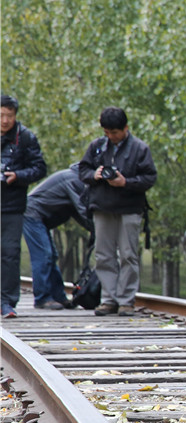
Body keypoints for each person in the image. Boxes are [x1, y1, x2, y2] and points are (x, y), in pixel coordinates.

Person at [77, 107, 154, 317]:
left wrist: (125, 182)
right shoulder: (97, 146)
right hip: (102, 208)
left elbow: (150, 178)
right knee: (103, 255)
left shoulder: (140, 148)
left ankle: (126, 300)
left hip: (130, 208)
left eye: (115, 133)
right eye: (107, 132)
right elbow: (82, 170)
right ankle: (108, 299)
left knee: (128, 255)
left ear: (126, 128)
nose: (111, 137)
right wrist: (96, 174)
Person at [1, 93, 48, 317]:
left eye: (9, 115)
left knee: (10, 253)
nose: (4, 120)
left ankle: (7, 301)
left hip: (12, 206)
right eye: (1, 115)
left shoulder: (26, 137)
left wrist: (18, 176)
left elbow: (40, 168)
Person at [23, 165, 92, 310]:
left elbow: (76, 212)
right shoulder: (73, 179)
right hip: (32, 214)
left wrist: (95, 230)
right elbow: (81, 209)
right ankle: (42, 298)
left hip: (40, 217)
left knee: (51, 255)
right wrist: (98, 229)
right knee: (44, 255)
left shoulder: (74, 179)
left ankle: (59, 296)